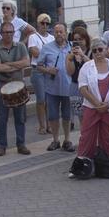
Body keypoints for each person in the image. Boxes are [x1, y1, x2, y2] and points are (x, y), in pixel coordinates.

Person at [0, 21, 33, 158]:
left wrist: (9, 64)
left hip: (18, 84)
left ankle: (21, 144)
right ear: (1, 34)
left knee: (20, 117)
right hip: (2, 85)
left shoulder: (20, 46)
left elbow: (26, 62)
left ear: (14, 33)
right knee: (2, 118)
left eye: (11, 32)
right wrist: (16, 66)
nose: (8, 35)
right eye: (6, 32)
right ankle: (2, 146)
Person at [74, 42, 109, 165]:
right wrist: (97, 104)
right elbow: (82, 88)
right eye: (94, 51)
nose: (97, 53)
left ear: (106, 50)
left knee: (107, 137)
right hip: (91, 107)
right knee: (87, 136)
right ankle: (82, 163)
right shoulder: (86, 66)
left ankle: (104, 163)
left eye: (100, 49)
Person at [36, 22, 75, 152]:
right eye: (56, 32)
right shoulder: (47, 48)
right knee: (53, 116)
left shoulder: (72, 47)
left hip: (68, 88)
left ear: (66, 33)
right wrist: (48, 70)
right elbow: (38, 66)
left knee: (67, 115)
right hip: (52, 88)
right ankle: (55, 140)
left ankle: (67, 140)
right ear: (53, 34)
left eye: (61, 32)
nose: (59, 34)